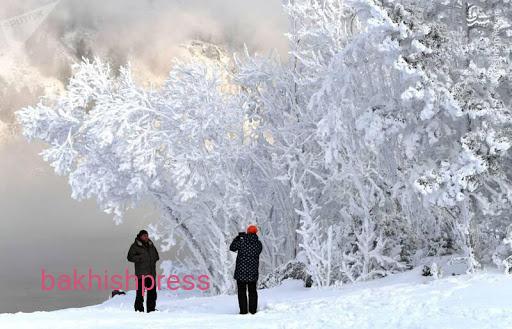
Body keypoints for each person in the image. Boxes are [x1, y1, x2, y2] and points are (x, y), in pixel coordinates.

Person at [229, 224, 263, 314]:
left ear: (247, 232)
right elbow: (257, 252)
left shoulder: (241, 241)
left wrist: (238, 237)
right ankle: (253, 311)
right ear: (256, 233)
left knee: (241, 292)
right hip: (253, 272)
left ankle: (243, 311)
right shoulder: (258, 244)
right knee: (252, 292)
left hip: (241, 272)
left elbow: (232, 248)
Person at [127, 229, 160, 312]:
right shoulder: (135, 246)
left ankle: (151, 309)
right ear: (140, 236)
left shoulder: (151, 244)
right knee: (140, 293)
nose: (146, 237)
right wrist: (140, 258)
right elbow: (130, 257)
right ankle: (139, 310)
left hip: (151, 273)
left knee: (152, 293)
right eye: (144, 235)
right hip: (141, 274)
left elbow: (156, 256)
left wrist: (153, 259)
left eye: (147, 235)